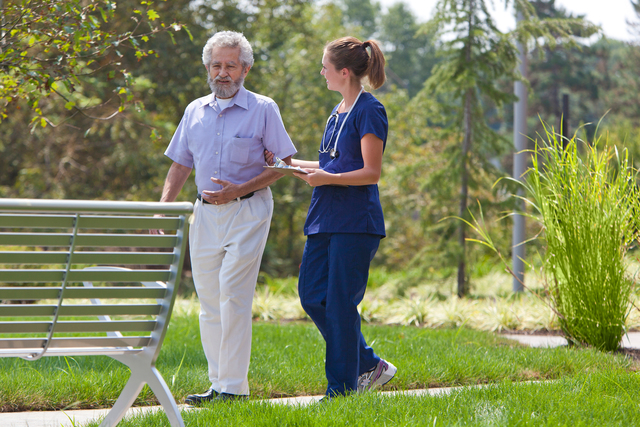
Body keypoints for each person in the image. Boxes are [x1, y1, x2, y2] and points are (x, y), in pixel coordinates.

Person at [152, 31, 297, 404]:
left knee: (233, 295)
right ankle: (219, 384)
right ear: (207, 68)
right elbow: (181, 162)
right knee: (210, 302)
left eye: (231, 65)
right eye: (216, 65)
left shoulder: (264, 108)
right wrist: (165, 204)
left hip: (248, 210)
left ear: (245, 68)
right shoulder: (194, 111)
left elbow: (284, 165)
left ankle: (234, 389)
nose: (223, 73)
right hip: (205, 215)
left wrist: (237, 189)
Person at [265, 36, 396, 398]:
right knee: (311, 296)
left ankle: (341, 391)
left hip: (355, 222)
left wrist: (330, 178)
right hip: (324, 219)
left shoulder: (370, 111)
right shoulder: (336, 111)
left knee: (339, 304)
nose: (321, 72)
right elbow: (329, 164)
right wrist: (285, 165)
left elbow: (371, 171)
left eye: (325, 67)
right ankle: (369, 363)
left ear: (342, 71)